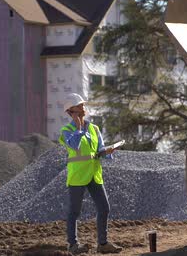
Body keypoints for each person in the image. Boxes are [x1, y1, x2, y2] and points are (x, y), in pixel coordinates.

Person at [58, 93, 122, 254]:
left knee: (104, 208)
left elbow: (99, 149)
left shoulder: (94, 128)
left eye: (82, 105)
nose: (82, 108)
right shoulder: (66, 131)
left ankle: (103, 244)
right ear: (70, 111)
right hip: (78, 176)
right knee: (74, 212)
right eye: (78, 106)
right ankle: (73, 246)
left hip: (94, 174)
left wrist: (108, 151)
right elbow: (74, 145)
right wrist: (79, 128)